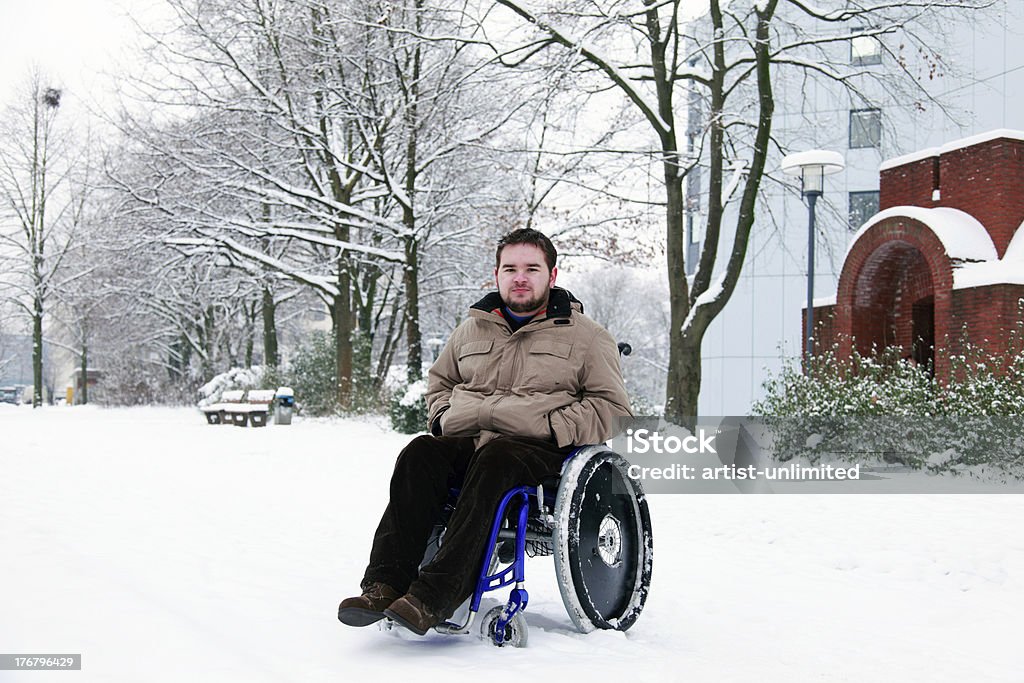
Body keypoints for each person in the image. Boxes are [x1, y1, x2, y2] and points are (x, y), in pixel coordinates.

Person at [337, 228, 632, 636]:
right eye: (510, 268)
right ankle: (383, 585)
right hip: (473, 440)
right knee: (420, 452)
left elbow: (614, 410)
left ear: (552, 274)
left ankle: (433, 597)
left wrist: (553, 426)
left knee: (499, 459)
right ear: (496, 275)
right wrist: (441, 419)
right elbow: (439, 384)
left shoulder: (587, 337)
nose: (520, 277)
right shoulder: (471, 330)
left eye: (532, 268)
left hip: (541, 451)